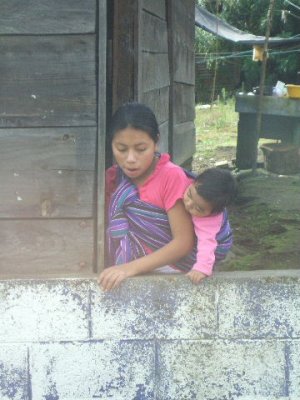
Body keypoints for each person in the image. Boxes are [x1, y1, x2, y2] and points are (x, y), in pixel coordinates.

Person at [99, 102, 196, 291]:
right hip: (120, 276)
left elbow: (183, 242)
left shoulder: (171, 177)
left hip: (171, 278)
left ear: (156, 141)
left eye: (141, 149)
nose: (131, 159)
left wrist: (129, 269)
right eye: (121, 148)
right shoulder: (113, 178)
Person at [183, 168, 237, 284]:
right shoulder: (190, 181)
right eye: (189, 195)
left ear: (212, 211)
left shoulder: (210, 220)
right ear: (194, 182)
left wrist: (201, 268)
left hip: (219, 243)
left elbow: (207, 243)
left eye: (198, 208)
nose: (188, 204)